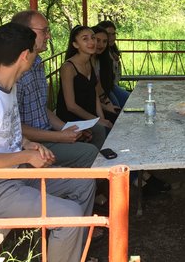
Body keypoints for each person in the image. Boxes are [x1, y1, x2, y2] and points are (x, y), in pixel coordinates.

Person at [0, 23, 96, 262]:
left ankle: (71, 252)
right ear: (24, 56)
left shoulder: (8, 86)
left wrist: (28, 144)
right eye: (34, 50)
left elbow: (7, 132)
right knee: (69, 214)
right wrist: (26, 156)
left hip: (12, 174)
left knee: (84, 184)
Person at [12, 11, 106, 168]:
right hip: (32, 144)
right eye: (44, 31)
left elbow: (41, 109)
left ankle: (95, 186)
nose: (48, 36)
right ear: (26, 33)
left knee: (97, 130)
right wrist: (59, 136)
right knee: (89, 152)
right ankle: (94, 184)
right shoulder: (16, 74)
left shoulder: (37, 64)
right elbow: (15, 128)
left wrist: (66, 130)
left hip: (48, 132)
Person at [56, 25, 116, 131]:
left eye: (93, 38)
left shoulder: (89, 61)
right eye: (85, 39)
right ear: (75, 44)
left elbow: (94, 94)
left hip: (89, 113)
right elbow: (71, 106)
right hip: (72, 118)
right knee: (103, 128)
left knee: (119, 120)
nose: (92, 42)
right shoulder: (68, 67)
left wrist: (101, 117)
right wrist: (97, 120)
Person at [97, 20, 130, 108]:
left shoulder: (110, 50)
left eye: (114, 34)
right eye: (108, 34)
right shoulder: (99, 53)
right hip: (106, 88)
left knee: (130, 100)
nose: (111, 37)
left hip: (111, 86)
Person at [92, 25, 121, 117]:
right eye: (97, 40)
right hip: (89, 105)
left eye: (104, 41)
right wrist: (106, 107)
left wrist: (108, 104)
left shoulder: (101, 58)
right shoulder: (75, 64)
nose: (101, 45)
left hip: (106, 91)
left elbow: (99, 87)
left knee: (117, 110)